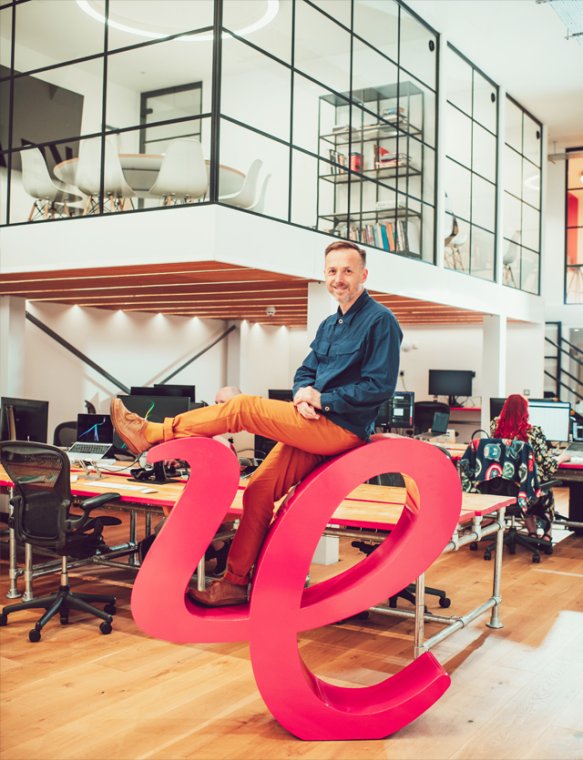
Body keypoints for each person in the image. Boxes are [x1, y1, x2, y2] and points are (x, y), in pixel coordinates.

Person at [111, 240, 402, 606]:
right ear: (324, 275)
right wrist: (301, 394)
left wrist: (323, 399)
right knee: (259, 492)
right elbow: (306, 371)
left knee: (242, 407)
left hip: (341, 429)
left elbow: (379, 386)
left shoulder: (381, 321)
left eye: (347, 270)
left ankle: (153, 433)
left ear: (363, 274)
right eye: (331, 271)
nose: (338, 278)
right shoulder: (330, 325)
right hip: (310, 422)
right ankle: (235, 583)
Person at [490, 394, 570, 542]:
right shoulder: (534, 432)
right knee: (542, 488)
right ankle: (547, 535)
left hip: (501, 487)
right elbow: (547, 465)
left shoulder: (495, 427)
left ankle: (532, 532)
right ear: (525, 412)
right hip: (526, 492)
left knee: (521, 483)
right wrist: (560, 458)